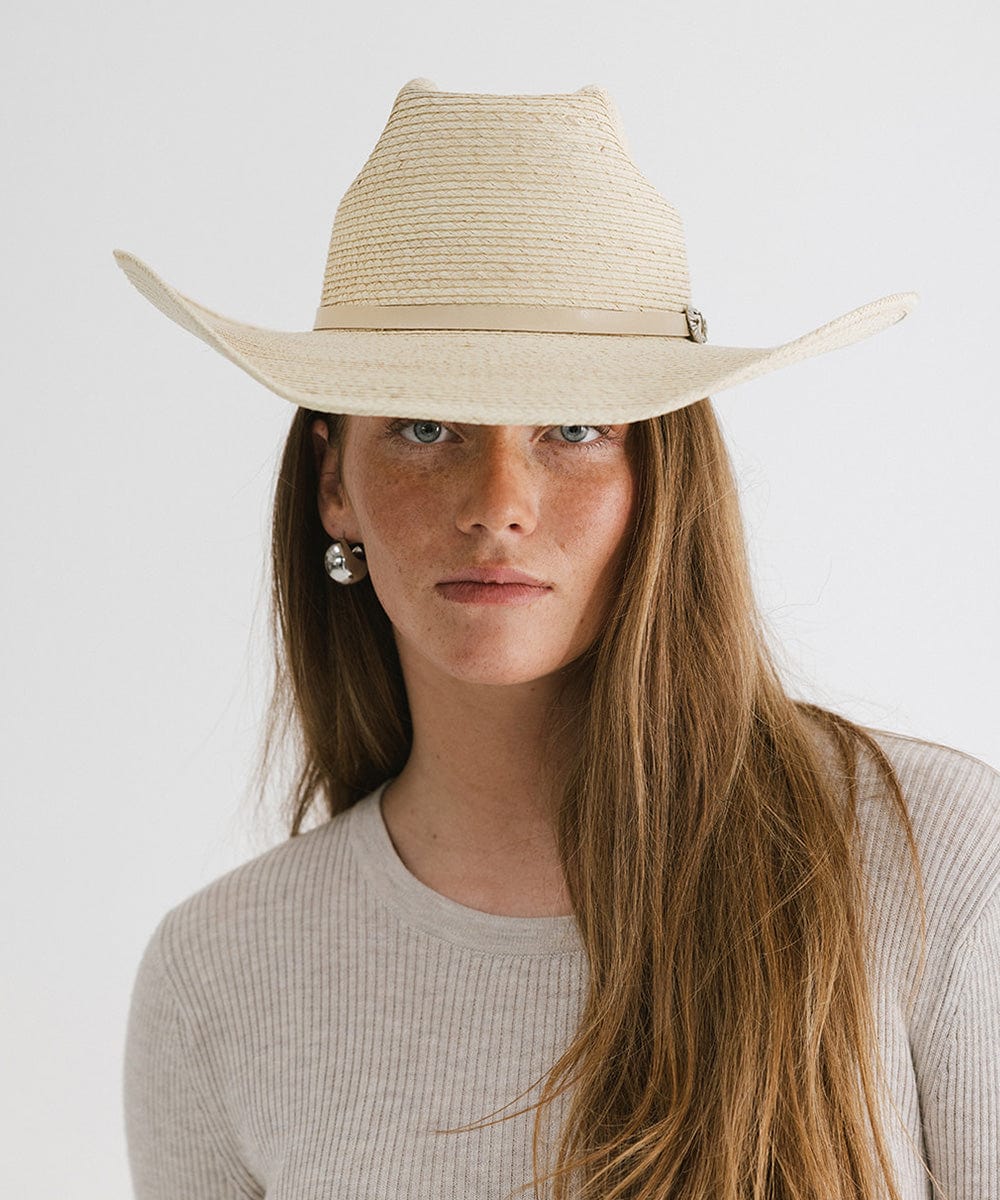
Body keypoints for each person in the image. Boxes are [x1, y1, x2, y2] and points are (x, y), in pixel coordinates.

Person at [114, 79, 999, 1200]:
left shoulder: (924, 864)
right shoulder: (221, 978)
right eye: (425, 426)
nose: (498, 500)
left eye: (575, 428)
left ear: (660, 478)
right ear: (333, 480)